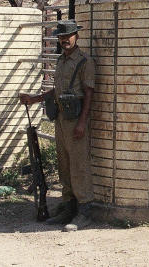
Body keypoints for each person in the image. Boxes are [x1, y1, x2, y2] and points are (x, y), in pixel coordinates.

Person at [19, 20, 96, 231]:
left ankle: (84, 212)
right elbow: (59, 90)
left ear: (76, 37)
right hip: (62, 118)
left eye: (68, 36)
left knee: (79, 165)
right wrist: (35, 99)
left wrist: (82, 123)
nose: (65, 40)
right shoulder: (61, 61)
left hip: (77, 119)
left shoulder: (84, 61)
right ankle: (67, 208)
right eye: (61, 37)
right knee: (64, 165)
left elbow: (88, 94)